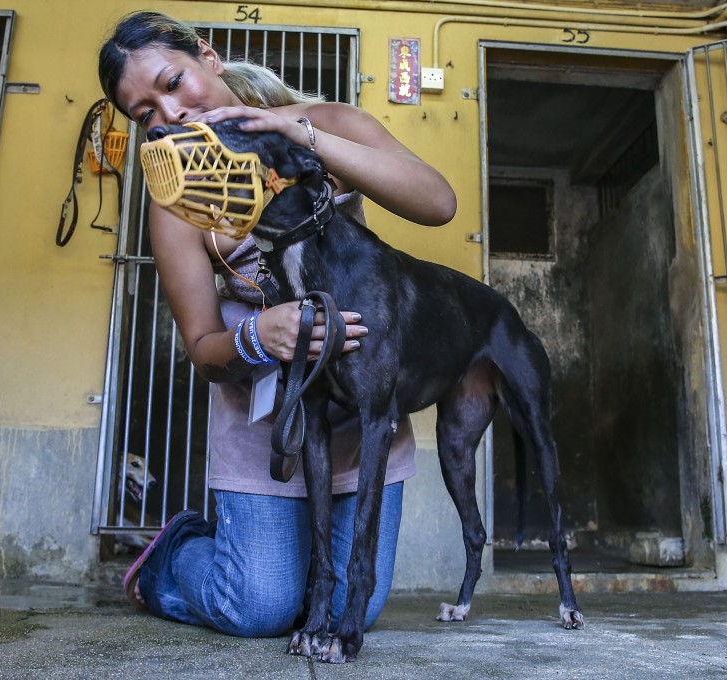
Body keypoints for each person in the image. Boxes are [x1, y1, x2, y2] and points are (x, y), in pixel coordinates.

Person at [97, 11, 457, 638]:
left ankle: (286, 573)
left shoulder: (325, 122)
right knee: (259, 608)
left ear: (207, 57)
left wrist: (302, 135)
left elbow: (438, 203)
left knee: (350, 612)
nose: (170, 113)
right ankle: (172, 557)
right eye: (145, 113)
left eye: (173, 82)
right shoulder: (178, 197)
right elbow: (203, 350)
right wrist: (256, 338)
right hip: (266, 419)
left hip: (359, 410)